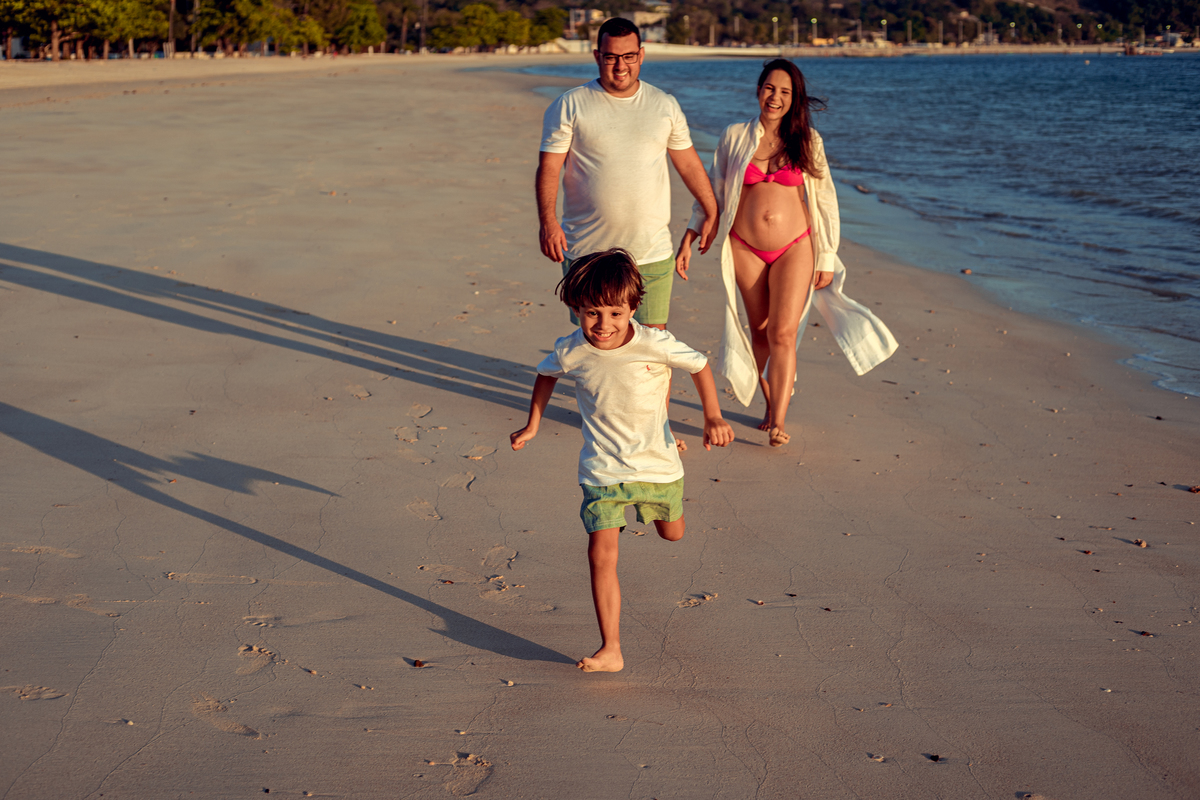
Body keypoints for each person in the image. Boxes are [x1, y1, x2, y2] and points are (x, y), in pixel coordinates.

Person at [510, 249, 734, 673]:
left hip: (658, 466)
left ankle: (663, 511)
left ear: (634, 308)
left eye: (615, 313)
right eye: (592, 313)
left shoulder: (655, 342)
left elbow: (700, 366)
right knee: (601, 554)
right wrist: (532, 425)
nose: (604, 325)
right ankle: (610, 648)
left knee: (673, 534)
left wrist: (713, 416)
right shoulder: (570, 350)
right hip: (602, 470)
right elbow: (545, 375)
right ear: (575, 309)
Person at [675, 59, 897, 447]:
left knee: (783, 332)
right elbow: (713, 190)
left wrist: (827, 256)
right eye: (769, 88)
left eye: (784, 92)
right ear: (758, 90)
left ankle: (779, 419)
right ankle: (769, 402)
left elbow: (826, 201)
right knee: (759, 333)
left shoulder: (808, 141)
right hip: (744, 246)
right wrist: (693, 233)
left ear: (795, 99)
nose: (775, 98)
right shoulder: (734, 136)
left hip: (796, 245)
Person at [537, 16, 719, 332]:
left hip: (651, 252)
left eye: (628, 56)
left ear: (641, 55)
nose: (620, 66)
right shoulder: (570, 104)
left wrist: (711, 208)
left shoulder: (664, 104)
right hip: (587, 251)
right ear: (597, 56)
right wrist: (549, 223)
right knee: (594, 346)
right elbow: (550, 167)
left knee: (653, 350)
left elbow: (688, 163)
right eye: (611, 57)